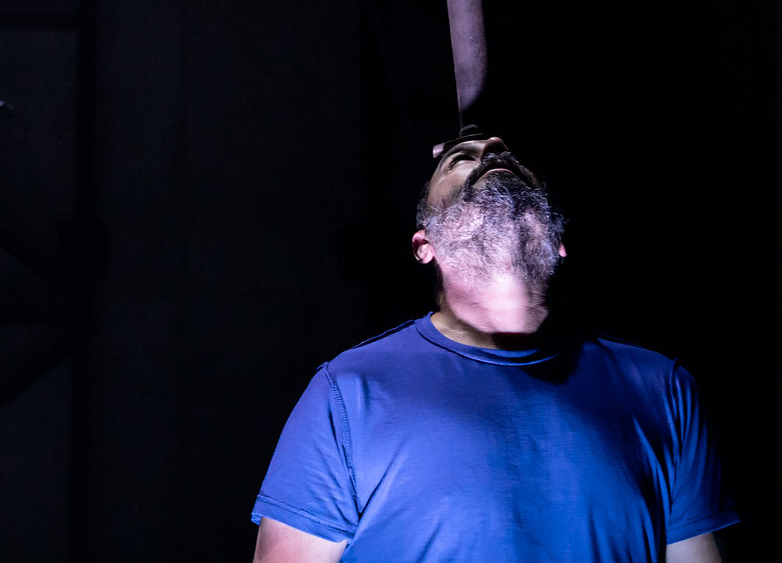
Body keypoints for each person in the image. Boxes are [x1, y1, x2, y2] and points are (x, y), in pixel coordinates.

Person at [250, 131, 739, 562]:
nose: (493, 150)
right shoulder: (347, 392)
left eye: (509, 159)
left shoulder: (662, 388)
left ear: (559, 241)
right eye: (460, 158)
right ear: (425, 245)